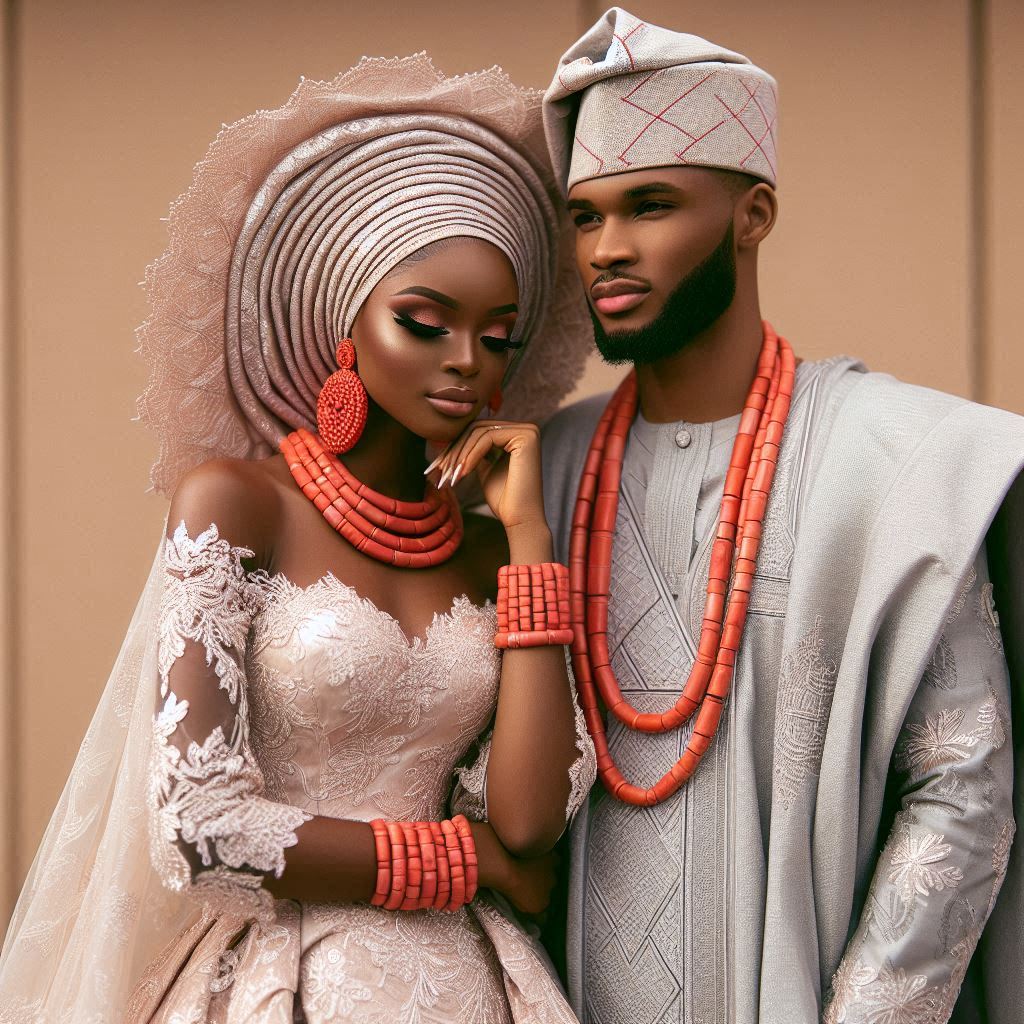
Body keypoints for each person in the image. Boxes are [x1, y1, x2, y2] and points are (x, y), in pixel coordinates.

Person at [0, 55, 598, 1023]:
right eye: (424, 321)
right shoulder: (238, 504)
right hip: (291, 982)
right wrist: (462, 857)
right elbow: (196, 823)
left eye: (497, 335)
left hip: (469, 987)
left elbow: (528, 828)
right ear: (344, 329)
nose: (465, 362)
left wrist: (528, 537)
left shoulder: (493, 554)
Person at [537, 8, 1024, 1023]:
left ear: (753, 214)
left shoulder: (889, 465)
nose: (607, 249)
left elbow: (963, 788)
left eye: (650, 205)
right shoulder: (542, 473)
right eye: (585, 217)